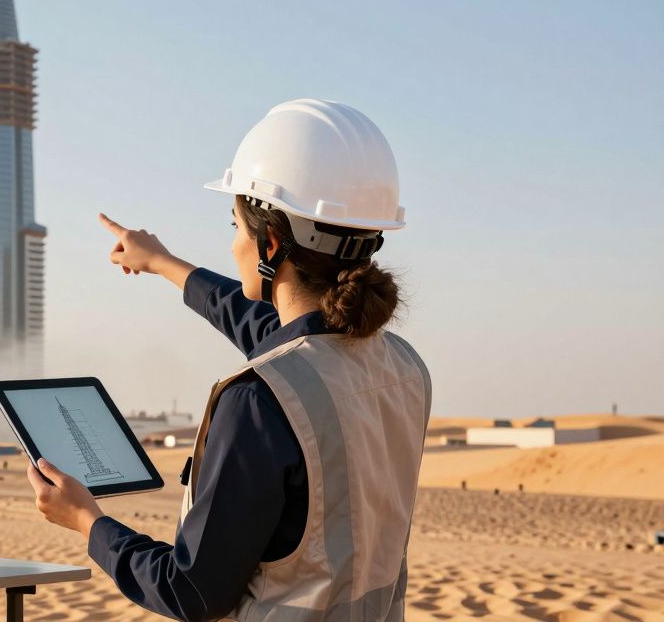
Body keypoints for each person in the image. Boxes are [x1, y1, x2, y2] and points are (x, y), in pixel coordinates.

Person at [27, 99, 431, 621]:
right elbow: (275, 331)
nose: (233, 242)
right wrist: (163, 263)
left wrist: (87, 521)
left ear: (269, 241)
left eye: (234, 224)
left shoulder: (259, 400)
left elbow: (191, 591)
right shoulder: (402, 366)